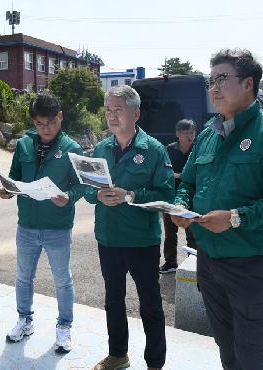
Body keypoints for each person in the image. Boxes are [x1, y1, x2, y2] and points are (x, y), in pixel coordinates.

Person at [171, 49, 263, 370]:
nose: (214, 88)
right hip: (208, 260)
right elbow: (188, 183)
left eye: (222, 79)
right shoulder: (207, 135)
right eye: (210, 81)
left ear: (249, 84)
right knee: (225, 345)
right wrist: (180, 205)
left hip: (252, 265)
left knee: (251, 354)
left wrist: (236, 218)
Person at [84, 85, 174, 370]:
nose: (111, 115)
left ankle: (155, 363)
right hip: (108, 239)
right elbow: (87, 190)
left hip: (141, 241)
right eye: (108, 110)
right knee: (113, 300)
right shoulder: (100, 148)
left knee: (150, 304)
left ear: (136, 113)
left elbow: (167, 196)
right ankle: (118, 354)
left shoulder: (154, 150)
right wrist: (96, 195)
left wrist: (131, 195)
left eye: (118, 110)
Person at [0, 92, 84, 353]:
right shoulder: (24, 145)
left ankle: (64, 326)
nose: (45, 129)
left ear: (60, 117)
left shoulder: (72, 149)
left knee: (62, 280)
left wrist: (69, 197)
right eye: (39, 124)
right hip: (26, 226)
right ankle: (24, 320)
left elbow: (81, 186)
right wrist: (7, 189)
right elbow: (14, 177)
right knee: (24, 278)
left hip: (57, 227)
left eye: (50, 123)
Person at [159, 119, 197, 274]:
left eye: (192, 132)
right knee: (170, 232)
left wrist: (182, 175)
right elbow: (163, 172)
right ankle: (170, 262)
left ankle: (193, 262)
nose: (190, 136)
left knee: (192, 233)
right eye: (186, 132)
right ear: (177, 134)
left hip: (192, 196)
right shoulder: (169, 150)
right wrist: (179, 175)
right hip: (171, 196)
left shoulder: (198, 148)